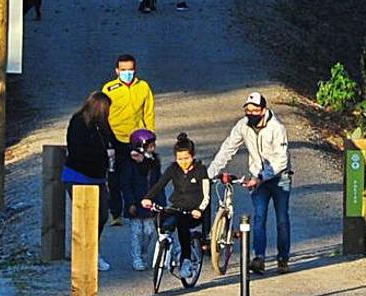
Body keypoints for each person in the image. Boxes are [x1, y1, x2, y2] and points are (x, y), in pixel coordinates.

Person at [206, 91, 292, 275]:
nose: (250, 114)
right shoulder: (243, 126)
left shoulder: (277, 128)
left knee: (282, 218)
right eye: (248, 110)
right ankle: (258, 258)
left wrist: (262, 177)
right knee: (259, 217)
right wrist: (210, 173)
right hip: (257, 176)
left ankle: (283, 258)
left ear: (263, 110)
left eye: (254, 110)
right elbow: (228, 147)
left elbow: (281, 161)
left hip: (280, 177)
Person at [141, 133, 209, 279]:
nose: (183, 162)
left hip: (194, 210)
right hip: (177, 206)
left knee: (183, 224)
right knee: (162, 217)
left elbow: (206, 195)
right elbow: (160, 184)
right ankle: (167, 246)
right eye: (180, 159)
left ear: (193, 156)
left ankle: (186, 259)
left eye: (186, 158)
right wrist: (148, 198)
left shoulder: (201, 170)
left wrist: (200, 209)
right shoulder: (173, 169)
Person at [102, 54, 156, 226]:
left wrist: (150, 138)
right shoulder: (109, 89)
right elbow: (103, 115)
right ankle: (116, 213)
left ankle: (137, 210)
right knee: (114, 178)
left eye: (130, 70)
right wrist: (105, 140)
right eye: (123, 70)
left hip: (137, 139)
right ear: (117, 71)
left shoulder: (143, 87)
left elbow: (149, 112)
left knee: (138, 176)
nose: (127, 73)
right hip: (115, 138)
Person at [63, 91, 114, 271]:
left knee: (102, 215)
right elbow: (77, 150)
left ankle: (92, 249)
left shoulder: (102, 125)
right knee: (85, 217)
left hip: (98, 177)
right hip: (79, 176)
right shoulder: (78, 122)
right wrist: (101, 156)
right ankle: (85, 254)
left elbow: (112, 142)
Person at [122, 129, 161, 270]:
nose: (153, 147)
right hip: (136, 203)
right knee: (137, 232)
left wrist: (160, 202)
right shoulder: (131, 164)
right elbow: (126, 184)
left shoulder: (154, 162)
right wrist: (130, 202)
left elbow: (158, 182)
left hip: (150, 203)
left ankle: (144, 254)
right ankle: (136, 257)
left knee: (150, 231)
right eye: (150, 145)